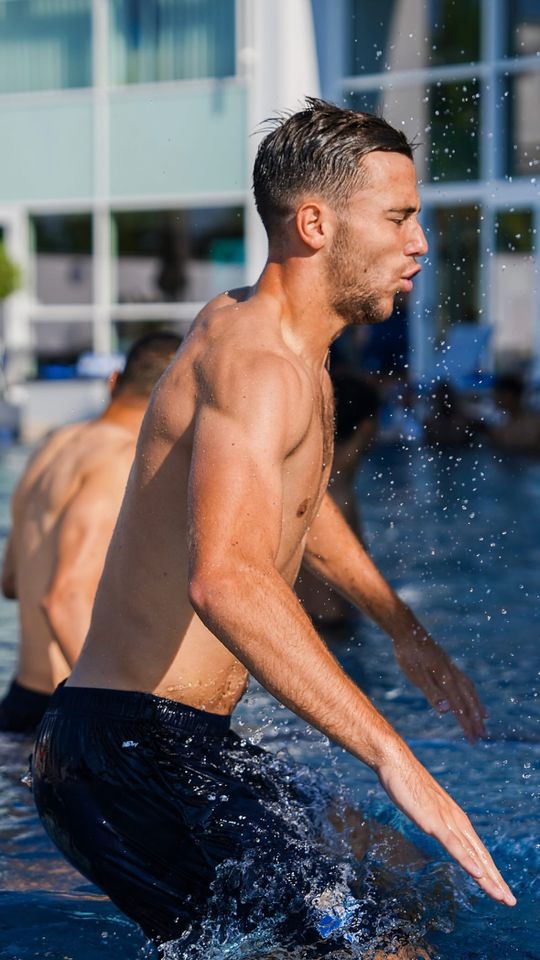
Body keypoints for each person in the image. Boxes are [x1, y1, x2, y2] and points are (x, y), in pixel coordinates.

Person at [31, 100, 515, 958]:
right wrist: (390, 753)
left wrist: (401, 629)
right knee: (387, 949)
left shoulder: (272, 342)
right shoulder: (259, 367)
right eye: (399, 218)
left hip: (176, 744)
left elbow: (291, 501)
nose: (420, 245)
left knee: (417, 880)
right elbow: (226, 579)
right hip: (130, 754)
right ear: (316, 222)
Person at [0, 331, 182, 733]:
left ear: (114, 381)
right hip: (68, 710)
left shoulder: (54, 445)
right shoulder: (122, 458)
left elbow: (11, 582)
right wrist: (121, 718)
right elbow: (63, 598)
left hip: (21, 702)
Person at [295, 369, 380, 628]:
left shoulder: (317, 480)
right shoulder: (334, 496)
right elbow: (323, 603)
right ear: (368, 426)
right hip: (329, 632)